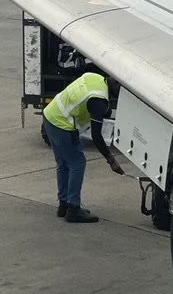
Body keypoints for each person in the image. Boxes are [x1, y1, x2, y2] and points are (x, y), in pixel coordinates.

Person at [42, 69, 124, 223]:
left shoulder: (95, 77)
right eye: (122, 90)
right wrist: (111, 160)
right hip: (61, 124)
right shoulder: (98, 101)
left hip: (50, 115)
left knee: (63, 163)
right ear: (115, 83)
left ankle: (63, 204)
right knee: (77, 163)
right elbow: (97, 136)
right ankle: (73, 209)